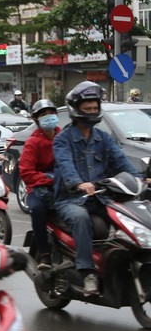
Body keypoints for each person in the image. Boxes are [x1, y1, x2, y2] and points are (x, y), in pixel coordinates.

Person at [53, 81, 141, 295]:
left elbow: (122, 162)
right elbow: (65, 165)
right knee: (81, 218)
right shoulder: (63, 139)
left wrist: (139, 178)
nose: (92, 111)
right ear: (77, 110)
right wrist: (79, 183)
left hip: (100, 199)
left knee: (129, 216)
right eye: (88, 108)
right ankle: (88, 273)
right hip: (70, 200)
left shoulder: (104, 139)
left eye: (95, 107)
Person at [19, 100, 61, 270]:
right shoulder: (32, 143)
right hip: (39, 188)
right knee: (37, 210)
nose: (48, 117)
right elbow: (27, 172)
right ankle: (44, 254)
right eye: (43, 115)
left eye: (51, 113)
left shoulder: (63, 137)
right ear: (36, 120)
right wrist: (49, 179)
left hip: (65, 186)